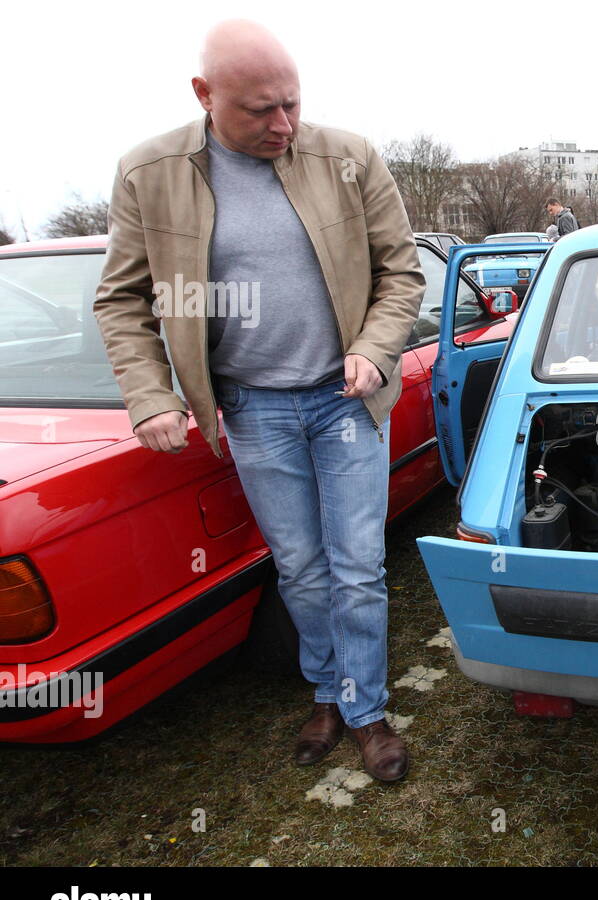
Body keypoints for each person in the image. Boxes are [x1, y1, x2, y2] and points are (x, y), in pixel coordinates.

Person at [94, 20, 424, 782]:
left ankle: (366, 709)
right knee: (301, 569)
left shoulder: (347, 157)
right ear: (205, 97)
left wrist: (374, 352)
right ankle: (327, 693)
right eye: (259, 111)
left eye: (292, 105)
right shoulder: (150, 173)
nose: (283, 125)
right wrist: (151, 396)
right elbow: (121, 300)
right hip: (254, 410)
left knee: (359, 567)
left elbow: (401, 272)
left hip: (345, 402)